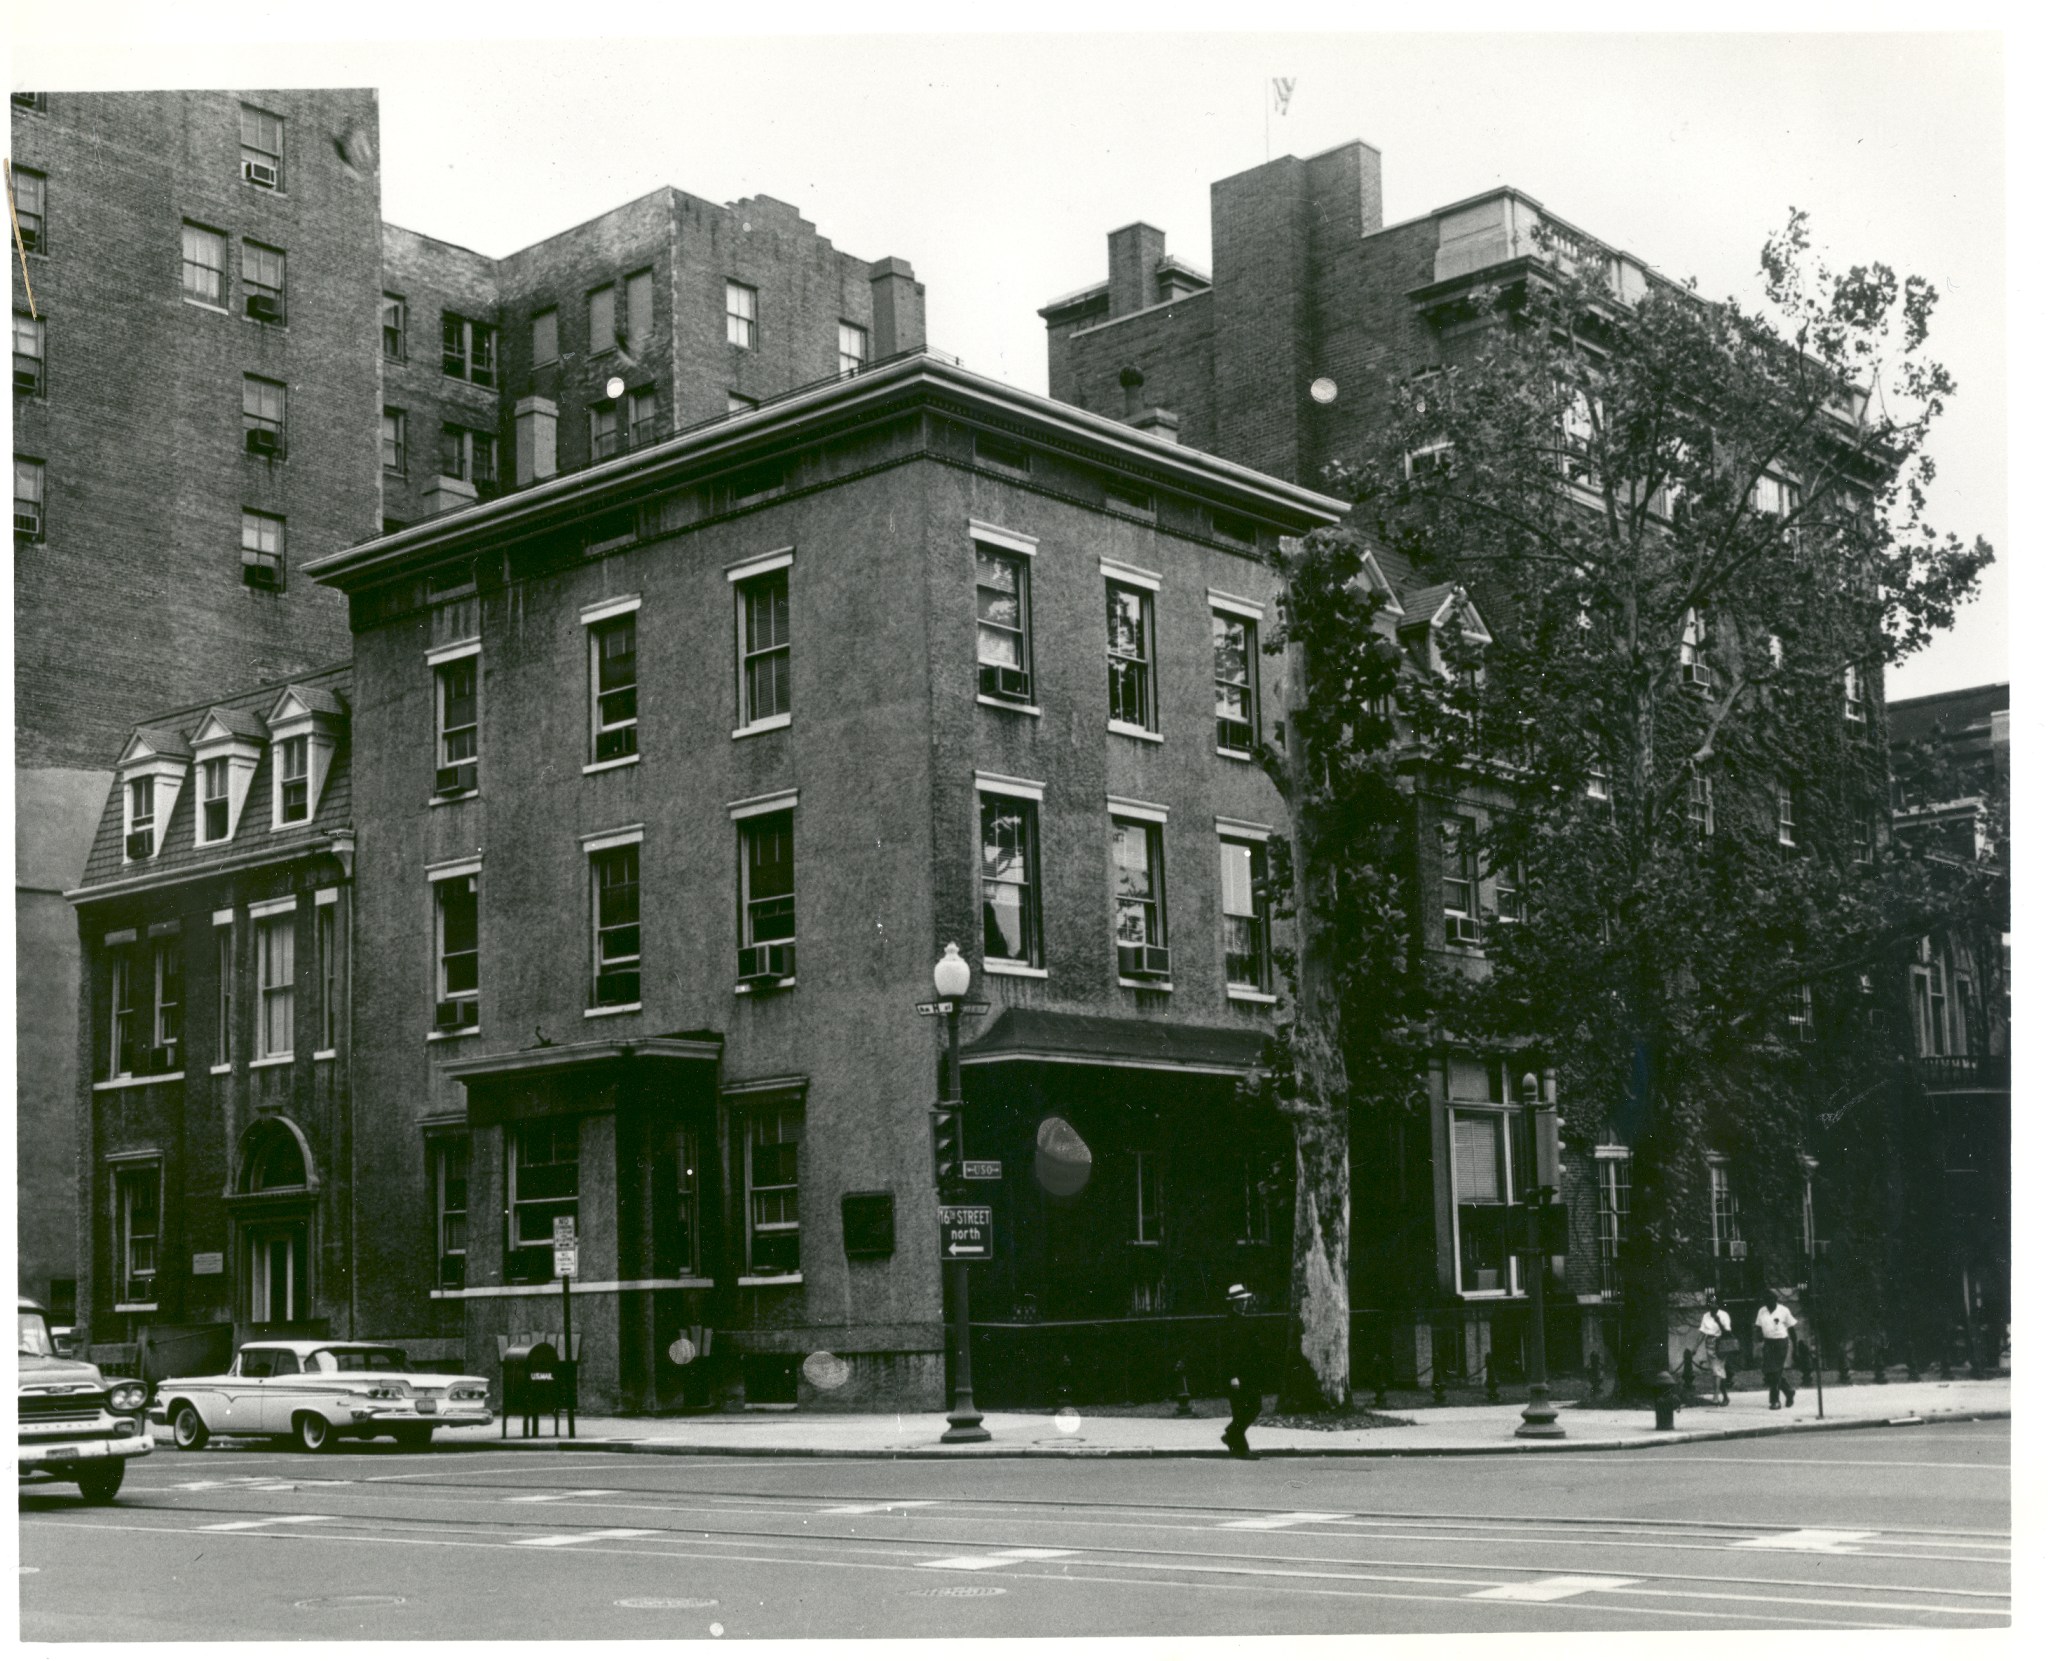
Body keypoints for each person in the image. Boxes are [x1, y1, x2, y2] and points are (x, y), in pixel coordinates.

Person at [1221, 1284, 1263, 1458]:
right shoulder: (1229, 1323)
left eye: (1244, 1300)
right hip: (1237, 1375)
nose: (1244, 1303)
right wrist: (1232, 1376)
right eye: (1241, 1301)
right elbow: (1228, 1352)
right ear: (1234, 1303)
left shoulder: (1244, 1319)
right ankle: (1240, 1447)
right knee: (1241, 1410)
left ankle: (1231, 1436)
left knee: (1254, 1406)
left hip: (1249, 1374)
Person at [1755, 1291, 1799, 1409]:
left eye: (1770, 1301)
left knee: (1775, 1371)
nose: (1768, 1304)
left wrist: (1795, 1347)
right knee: (1768, 1371)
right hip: (1768, 1343)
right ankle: (1788, 1391)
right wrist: (1758, 1336)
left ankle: (1775, 1401)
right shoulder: (1762, 1311)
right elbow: (1758, 1327)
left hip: (1781, 1343)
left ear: (1775, 1300)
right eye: (1766, 1301)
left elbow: (1792, 1330)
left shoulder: (1783, 1310)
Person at [1698, 1292, 1734, 1405]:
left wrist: (1718, 1320)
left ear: (1718, 1304)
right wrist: (1694, 1347)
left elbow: (1727, 1331)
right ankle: (1725, 1397)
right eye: (1709, 1303)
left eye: (1713, 1303)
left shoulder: (1723, 1315)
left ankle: (1715, 1396)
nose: (1711, 1305)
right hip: (1709, 1344)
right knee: (1717, 1370)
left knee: (1717, 1370)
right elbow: (1702, 1333)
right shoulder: (1706, 1316)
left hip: (1720, 1344)